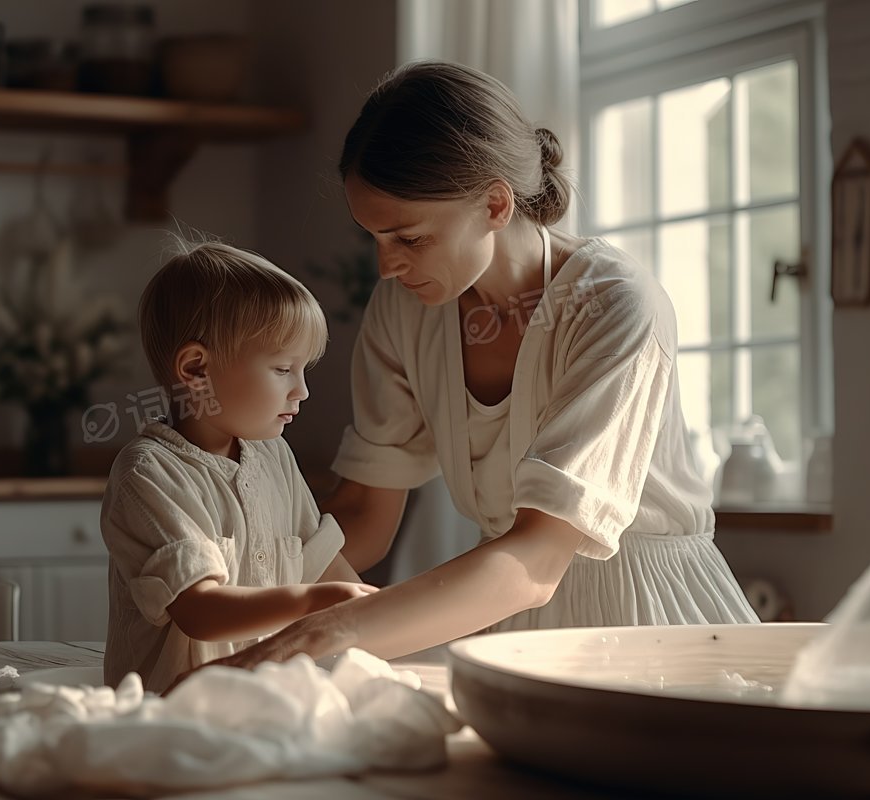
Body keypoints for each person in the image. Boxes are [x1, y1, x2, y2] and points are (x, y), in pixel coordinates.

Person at [201, 60, 759, 673]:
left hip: (648, 624)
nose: (387, 266)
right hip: (502, 624)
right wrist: (221, 592)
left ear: (495, 203)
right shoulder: (406, 310)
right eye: (376, 238)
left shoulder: (614, 304)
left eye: (409, 239)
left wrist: (321, 635)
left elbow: (539, 558)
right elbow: (364, 512)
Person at [101, 240, 376, 692]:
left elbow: (324, 566)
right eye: (283, 369)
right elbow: (201, 610)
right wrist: (315, 601)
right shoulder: (147, 475)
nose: (302, 391)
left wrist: (380, 612)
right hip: (172, 718)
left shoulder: (273, 456)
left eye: (303, 369)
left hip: (267, 702)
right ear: (196, 369)